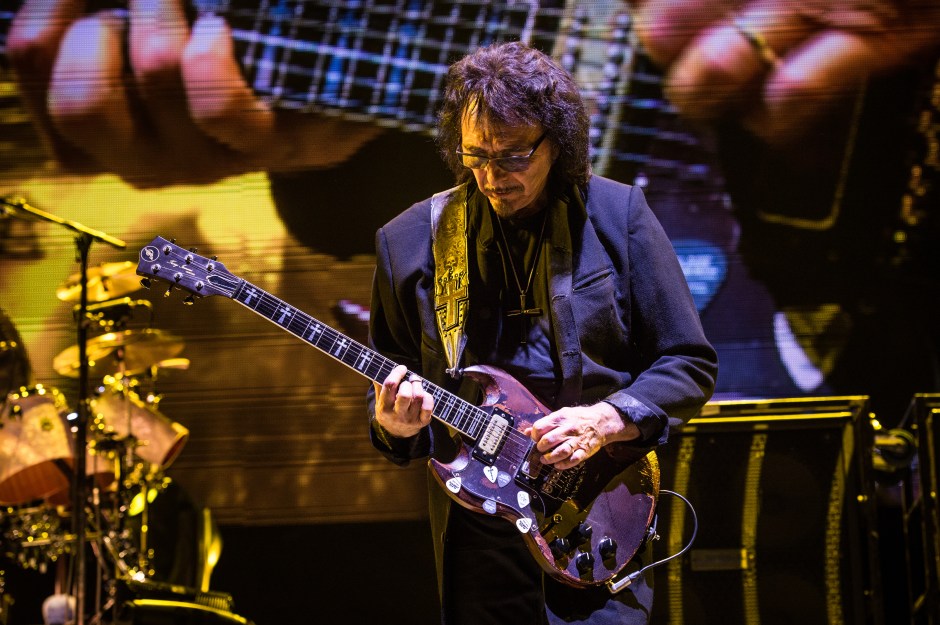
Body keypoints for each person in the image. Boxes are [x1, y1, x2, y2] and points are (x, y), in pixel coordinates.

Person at [367, 41, 718, 624]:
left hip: (598, 510)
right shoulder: (408, 243)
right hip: (478, 532)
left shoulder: (617, 214)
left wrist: (604, 421)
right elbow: (393, 378)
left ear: (556, 140)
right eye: (475, 156)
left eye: (512, 157)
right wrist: (391, 425)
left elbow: (688, 362)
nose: (491, 177)